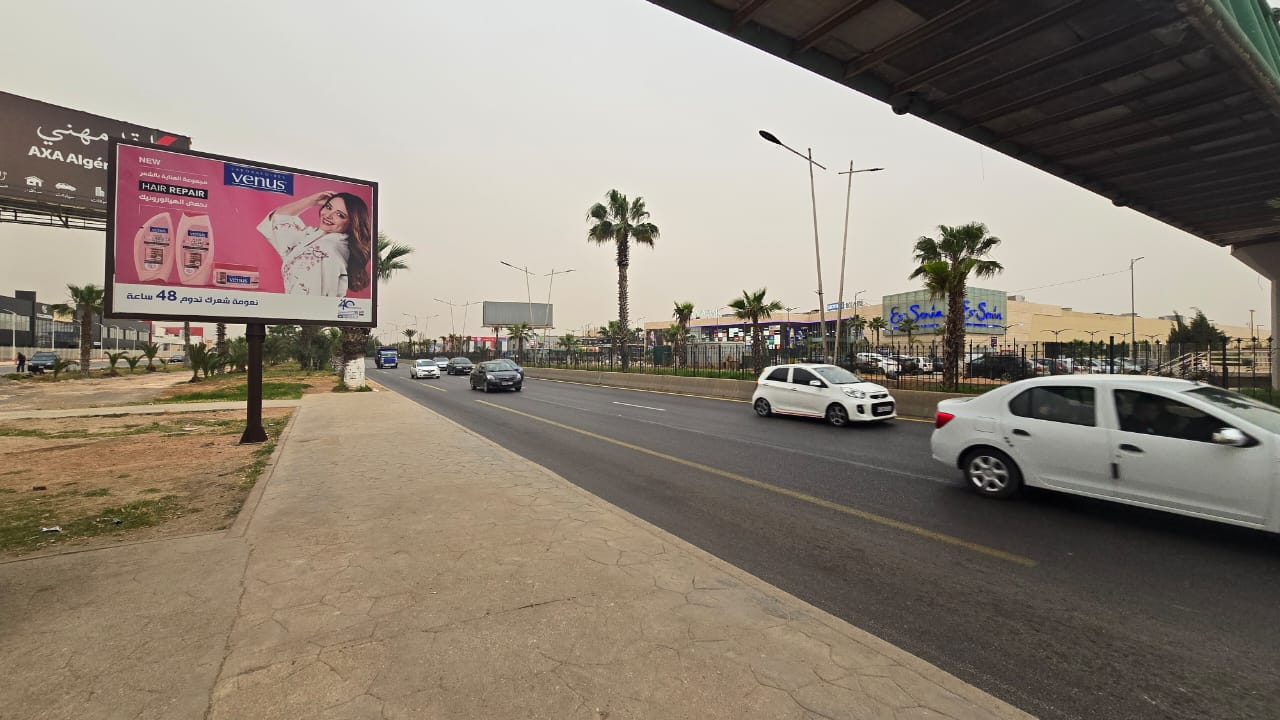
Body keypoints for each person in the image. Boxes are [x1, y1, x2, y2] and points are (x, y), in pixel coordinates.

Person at [257, 191, 372, 297]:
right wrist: (311, 201)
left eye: (340, 215)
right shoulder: (314, 236)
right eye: (328, 207)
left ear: (352, 223)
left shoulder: (327, 249)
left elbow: (313, 299)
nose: (328, 215)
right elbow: (280, 218)